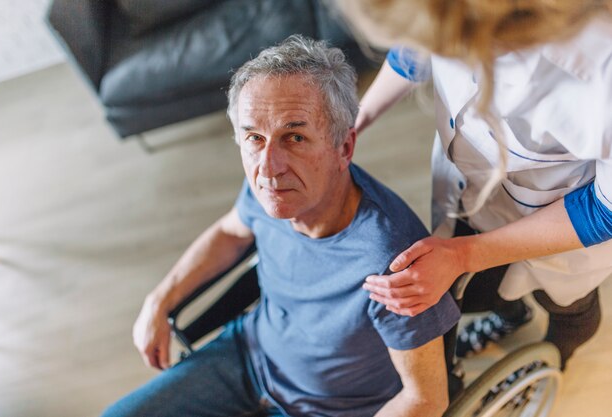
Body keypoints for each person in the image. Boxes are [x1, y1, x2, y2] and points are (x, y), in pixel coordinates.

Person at [101, 35, 460, 417]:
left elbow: (424, 399)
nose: (268, 168)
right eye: (254, 137)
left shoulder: (393, 259)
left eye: (295, 137)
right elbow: (230, 233)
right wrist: (159, 300)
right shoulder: (266, 191)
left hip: (331, 408)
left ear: (344, 147)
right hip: (248, 357)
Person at [336, 0, 612, 368]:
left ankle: (560, 351)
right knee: (487, 287)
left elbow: (606, 209)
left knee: (565, 301)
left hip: (563, 228)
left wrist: (464, 255)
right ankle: (512, 316)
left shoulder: (599, 72)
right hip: (468, 186)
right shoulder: (443, 16)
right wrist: (354, 125)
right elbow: (414, 49)